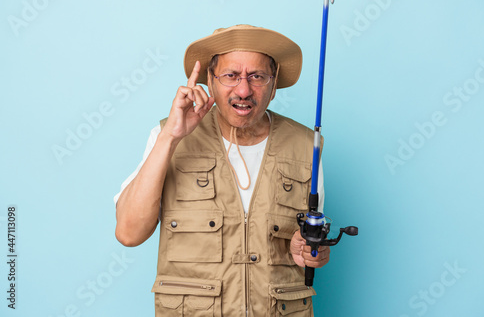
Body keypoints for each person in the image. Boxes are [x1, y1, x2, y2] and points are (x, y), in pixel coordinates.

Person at [114, 24, 331, 316]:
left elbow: (305, 243)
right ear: (209, 81)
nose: (244, 90)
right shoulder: (167, 135)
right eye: (230, 75)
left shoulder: (308, 146)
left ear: (274, 82)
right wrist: (171, 138)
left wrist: (307, 252)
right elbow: (129, 233)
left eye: (257, 76)